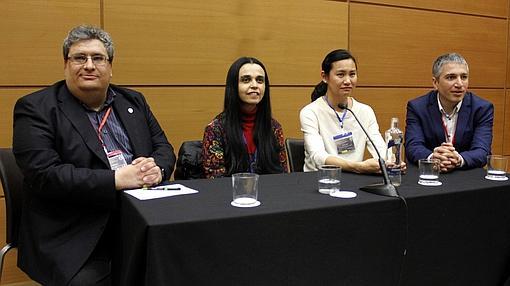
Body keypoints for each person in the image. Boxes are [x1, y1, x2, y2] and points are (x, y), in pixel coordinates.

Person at [12, 25, 176, 286]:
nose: (89, 65)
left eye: (97, 58)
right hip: (73, 232)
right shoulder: (36, 108)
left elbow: (163, 147)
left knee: (185, 262)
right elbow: (44, 175)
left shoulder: (133, 101)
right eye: (80, 57)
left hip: (138, 220)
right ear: (66, 64)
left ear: (110, 66)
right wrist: (116, 179)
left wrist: (158, 168)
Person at [301, 49, 401, 173]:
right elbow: (318, 156)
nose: (348, 81)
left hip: (353, 179)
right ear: (324, 77)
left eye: (352, 74)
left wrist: (391, 162)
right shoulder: (310, 112)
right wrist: (358, 167)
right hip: (319, 180)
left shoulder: (365, 111)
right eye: (341, 75)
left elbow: (380, 149)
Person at [405, 53, 493, 172]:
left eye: (464, 77)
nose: (459, 84)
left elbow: (482, 151)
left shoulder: (482, 108)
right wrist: (433, 158)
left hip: (466, 176)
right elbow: (413, 147)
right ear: (435, 83)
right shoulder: (418, 107)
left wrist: (459, 159)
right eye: (451, 77)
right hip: (429, 174)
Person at [202, 57, 288, 178]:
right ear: (233, 86)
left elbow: (282, 177)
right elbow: (215, 180)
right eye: (246, 80)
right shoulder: (216, 129)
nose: (254, 85)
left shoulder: (274, 128)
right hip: (231, 195)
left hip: (270, 194)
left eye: (260, 80)